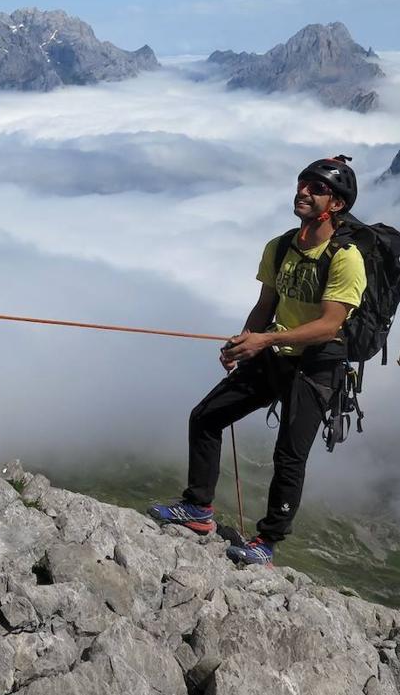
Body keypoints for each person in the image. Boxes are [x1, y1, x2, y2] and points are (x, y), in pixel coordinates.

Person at [148, 156, 367, 566]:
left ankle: (266, 542)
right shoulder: (281, 245)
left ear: (336, 204)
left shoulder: (346, 257)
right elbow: (266, 304)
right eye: (303, 183)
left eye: (316, 188)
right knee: (207, 416)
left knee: (288, 454)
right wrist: (245, 341)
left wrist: (264, 339)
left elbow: (329, 326)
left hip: (318, 364)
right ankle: (198, 509)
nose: (303, 191)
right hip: (275, 353)